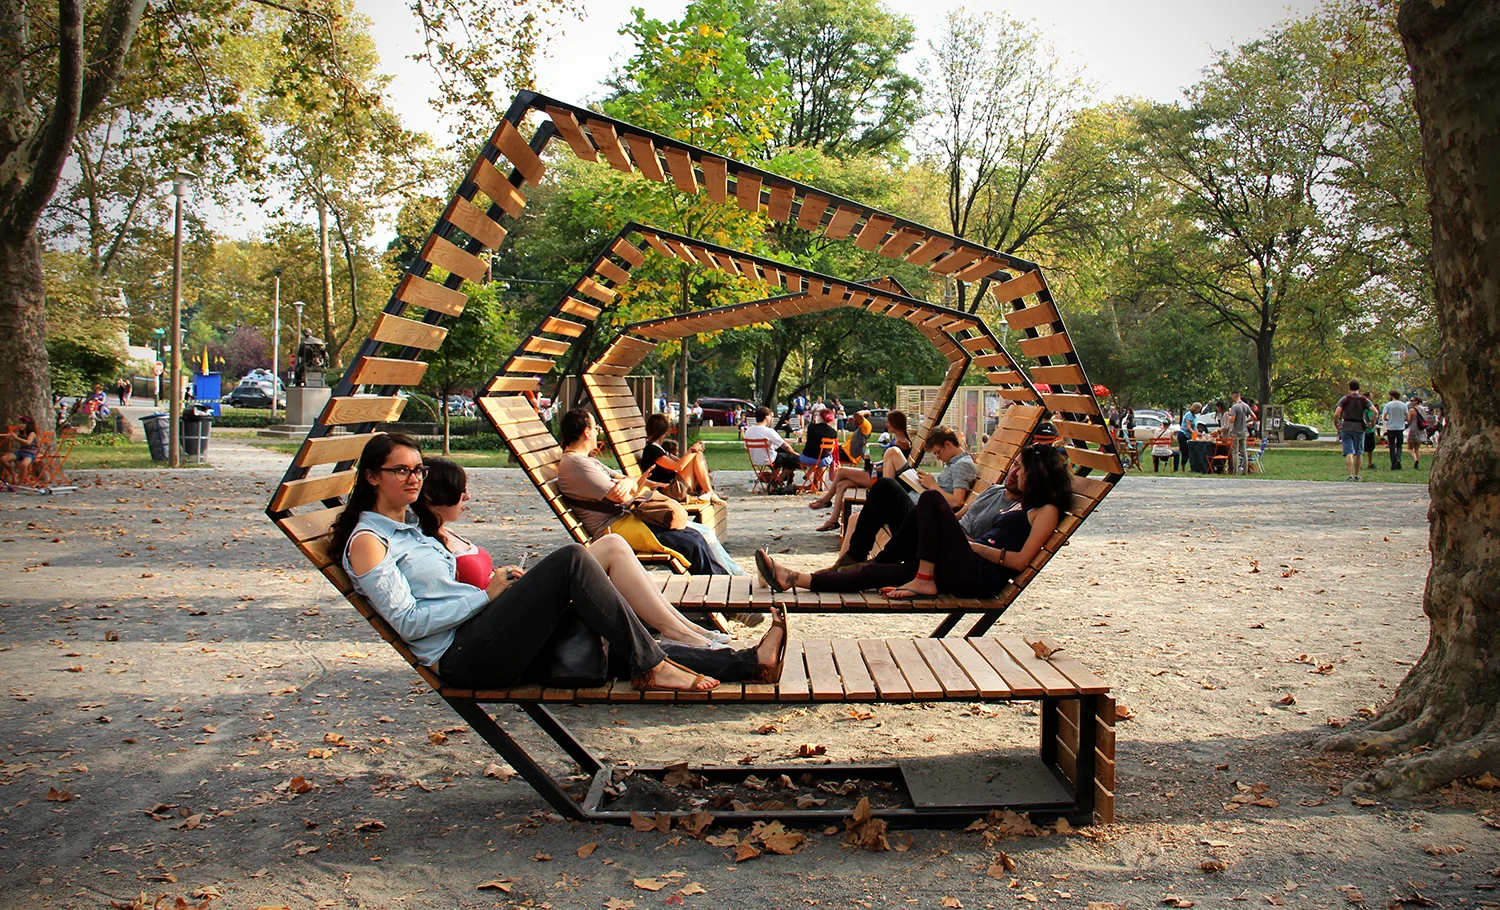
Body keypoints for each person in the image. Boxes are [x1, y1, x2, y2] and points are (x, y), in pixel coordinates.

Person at [332, 434, 786, 693]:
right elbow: (410, 623)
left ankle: (748, 662)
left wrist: (498, 590)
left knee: (607, 641)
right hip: (464, 655)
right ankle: (654, 665)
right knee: (573, 559)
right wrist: (485, 595)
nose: (413, 478)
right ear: (372, 477)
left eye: (418, 470)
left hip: (485, 631)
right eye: (401, 471)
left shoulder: (410, 529)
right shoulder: (370, 542)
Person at [417, 457, 736, 650]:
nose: (467, 496)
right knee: (588, 551)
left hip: (509, 602)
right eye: (460, 490)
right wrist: (488, 593)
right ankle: (677, 630)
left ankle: (684, 627)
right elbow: (437, 610)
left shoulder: (449, 533)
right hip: (498, 621)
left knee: (614, 544)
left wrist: (498, 578)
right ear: (433, 497)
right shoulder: (427, 547)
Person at [756, 444, 1071, 600]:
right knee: (875, 572)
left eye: (1020, 468)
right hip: (952, 558)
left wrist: (973, 546)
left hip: (972, 570)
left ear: (1037, 475)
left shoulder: (1046, 510)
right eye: (1014, 465)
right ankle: (793, 578)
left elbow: (1019, 561)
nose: (1013, 472)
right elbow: (959, 519)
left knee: (931, 499)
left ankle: (921, 577)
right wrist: (939, 526)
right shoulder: (1009, 500)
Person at [554, 408, 743, 576]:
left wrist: (627, 482)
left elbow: (630, 482)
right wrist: (628, 484)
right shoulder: (578, 465)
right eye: (595, 428)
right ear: (586, 432)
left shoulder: (587, 461)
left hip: (630, 517)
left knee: (701, 535)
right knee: (693, 543)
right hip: (616, 526)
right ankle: (725, 585)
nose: (598, 431)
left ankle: (735, 578)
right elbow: (621, 495)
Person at [835, 425, 976, 568]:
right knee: (867, 508)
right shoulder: (953, 463)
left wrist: (933, 485)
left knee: (885, 486)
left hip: (921, 520)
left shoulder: (962, 465)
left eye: (937, 453)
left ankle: (853, 559)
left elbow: (956, 501)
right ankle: (846, 562)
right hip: (917, 512)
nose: (938, 457)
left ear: (948, 444)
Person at [639, 413, 723, 504]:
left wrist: (695, 453)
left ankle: (709, 492)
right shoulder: (651, 450)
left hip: (675, 488)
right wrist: (693, 450)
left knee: (697, 455)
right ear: (665, 431)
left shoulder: (660, 448)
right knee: (696, 454)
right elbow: (678, 466)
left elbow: (685, 462)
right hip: (672, 491)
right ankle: (709, 492)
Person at [743, 406, 800, 486]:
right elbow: (786, 446)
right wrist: (794, 453)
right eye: (771, 416)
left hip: (756, 460)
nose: (772, 419)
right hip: (769, 459)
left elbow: (746, 449)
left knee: (780, 455)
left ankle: (773, 482)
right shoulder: (769, 431)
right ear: (766, 416)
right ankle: (778, 480)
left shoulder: (748, 430)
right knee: (794, 459)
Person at [1334, 380, 1372, 481]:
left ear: (1349, 387)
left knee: (1349, 451)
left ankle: (1350, 475)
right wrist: (1371, 422)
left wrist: (1336, 423)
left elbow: (1337, 413)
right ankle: (1357, 475)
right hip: (1359, 427)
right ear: (1359, 388)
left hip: (1347, 426)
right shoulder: (1364, 400)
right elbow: (1375, 411)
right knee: (1358, 452)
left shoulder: (1345, 399)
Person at [2, 415, 40, 483]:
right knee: (3, 459)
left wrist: (16, 438)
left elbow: (28, 443)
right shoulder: (20, 433)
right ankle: (14, 474)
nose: (21, 425)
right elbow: (10, 439)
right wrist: (11, 434)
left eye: (23, 423)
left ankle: (20, 482)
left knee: (24, 464)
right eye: (20, 423)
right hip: (21, 452)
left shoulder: (32, 433)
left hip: (30, 454)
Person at [1225, 392, 1253, 474]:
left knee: (1235, 452)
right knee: (1244, 451)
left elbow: (1232, 420)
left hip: (1235, 432)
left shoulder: (1235, 407)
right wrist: (1245, 421)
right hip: (1244, 431)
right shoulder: (1245, 406)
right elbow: (1253, 416)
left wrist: (1229, 415)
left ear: (1234, 396)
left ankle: (1235, 471)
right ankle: (1245, 470)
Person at [1382, 390, 1408, 470]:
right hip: (1400, 427)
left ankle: (1393, 463)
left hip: (1391, 428)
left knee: (1392, 446)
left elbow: (1384, 417)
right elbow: (1407, 417)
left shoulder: (1388, 405)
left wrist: (1388, 419)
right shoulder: (1403, 405)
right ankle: (1398, 458)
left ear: (1392, 396)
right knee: (1399, 445)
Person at [1407, 395, 1430, 469]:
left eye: (1412, 400)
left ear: (1416, 401)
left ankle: (1415, 459)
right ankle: (1417, 462)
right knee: (1417, 448)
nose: (1411, 402)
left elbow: (1409, 420)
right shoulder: (1423, 409)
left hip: (1414, 429)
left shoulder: (1412, 410)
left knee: (1410, 448)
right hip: (1421, 429)